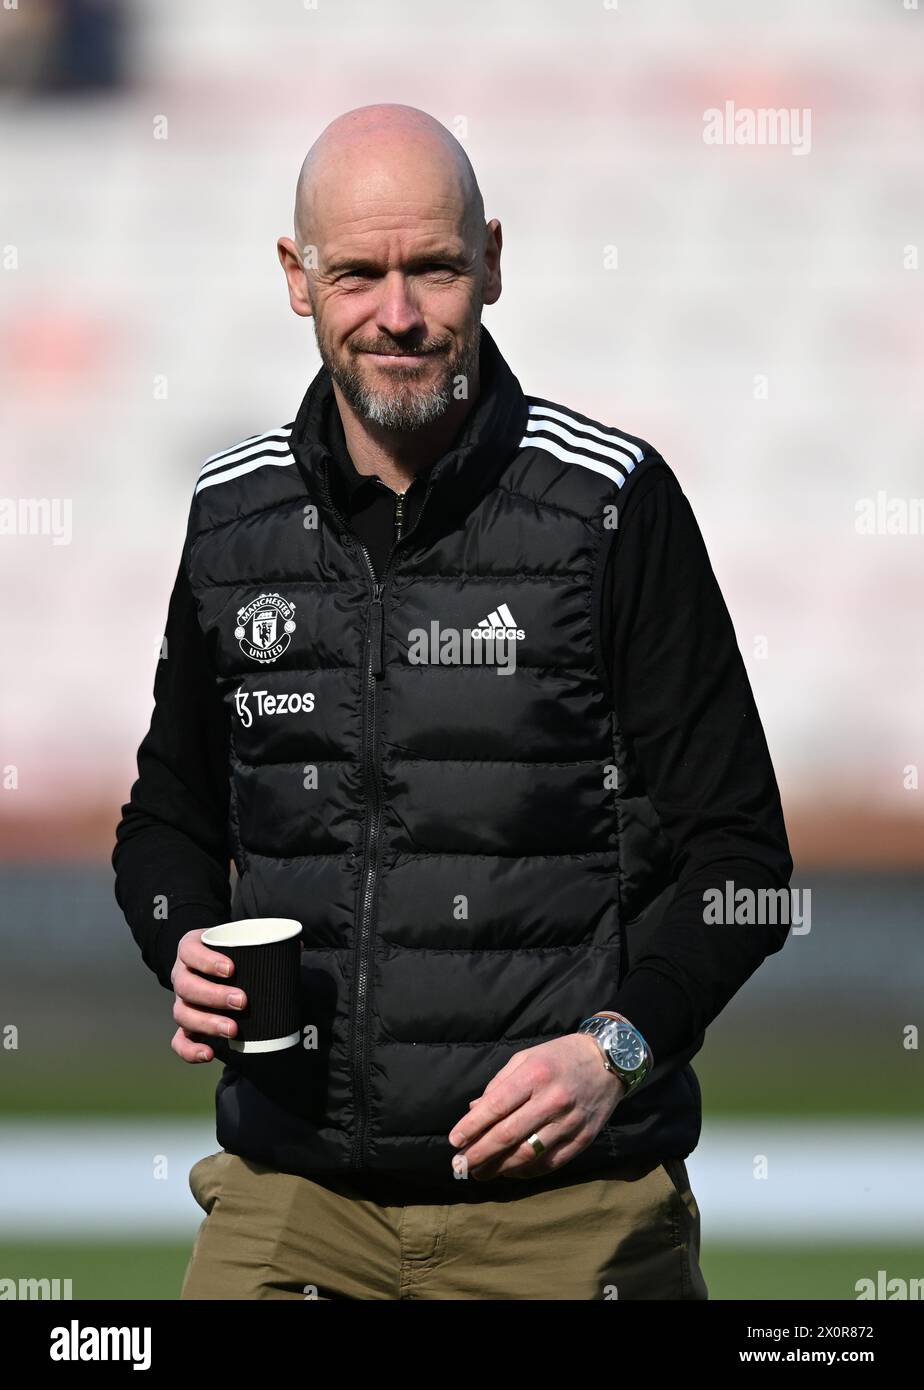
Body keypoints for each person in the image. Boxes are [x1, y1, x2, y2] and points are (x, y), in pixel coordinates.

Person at [112, 103, 793, 1300]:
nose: (399, 313)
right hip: (293, 1198)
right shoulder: (232, 519)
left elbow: (745, 864)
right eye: (359, 272)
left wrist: (615, 1051)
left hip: (566, 1207)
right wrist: (179, 941)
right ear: (295, 276)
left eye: (432, 266)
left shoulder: (612, 506)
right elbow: (164, 823)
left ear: (490, 262)